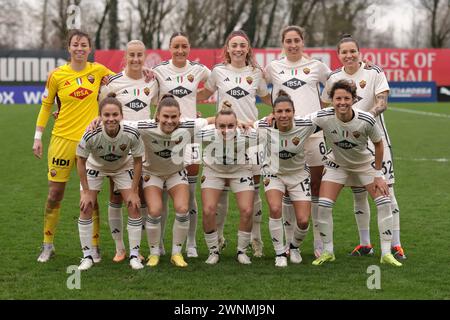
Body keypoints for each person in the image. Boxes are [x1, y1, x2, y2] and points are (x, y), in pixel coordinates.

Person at [321, 34, 406, 260]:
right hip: (347, 145)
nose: (349, 55)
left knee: (387, 190)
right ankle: (365, 243)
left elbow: (382, 102)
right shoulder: (333, 77)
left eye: (352, 51)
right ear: (338, 55)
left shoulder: (374, 72)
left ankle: (396, 244)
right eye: (344, 52)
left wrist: (365, 117)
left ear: (359, 52)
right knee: (358, 194)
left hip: (375, 140)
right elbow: (326, 107)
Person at [32, 29, 113, 263]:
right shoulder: (56, 75)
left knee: (90, 195)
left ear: (90, 48)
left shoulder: (98, 70)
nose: (79, 48)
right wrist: (38, 137)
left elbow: (123, 81)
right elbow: (46, 106)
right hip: (62, 140)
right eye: (75, 44)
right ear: (69, 48)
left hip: (91, 141)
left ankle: (94, 246)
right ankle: (47, 244)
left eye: (84, 44)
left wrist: (146, 73)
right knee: (55, 193)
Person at [310, 79, 402, 267]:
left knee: (384, 202)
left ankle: (386, 253)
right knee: (324, 206)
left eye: (346, 98)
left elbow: (378, 143)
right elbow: (299, 122)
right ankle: (328, 251)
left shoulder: (365, 119)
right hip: (338, 165)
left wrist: (378, 174)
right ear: (332, 100)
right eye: (338, 98)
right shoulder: (323, 116)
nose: (342, 102)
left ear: (354, 99)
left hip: (364, 165)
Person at [198, 30, 272, 258]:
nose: (239, 49)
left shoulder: (256, 73)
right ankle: (218, 239)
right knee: (219, 194)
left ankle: (255, 238)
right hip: (223, 136)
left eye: (243, 45)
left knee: (254, 191)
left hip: (251, 137)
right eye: (234, 45)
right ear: (227, 49)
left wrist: (279, 111)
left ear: (248, 48)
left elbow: (268, 98)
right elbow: (202, 94)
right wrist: (182, 104)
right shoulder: (218, 72)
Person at [264, 26, 331, 258]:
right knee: (284, 189)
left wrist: (324, 109)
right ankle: (289, 244)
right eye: (288, 41)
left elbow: (335, 85)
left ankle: (317, 244)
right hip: (281, 136)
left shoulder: (317, 66)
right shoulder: (273, 67)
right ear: (282, 43)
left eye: (296, 40)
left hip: (312, 136)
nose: (292, 45)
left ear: (303, 42)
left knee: (314, 187)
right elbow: (253, 81)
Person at [133, 94, 214, 267]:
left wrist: (241, 123)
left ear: (180, 116)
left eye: (174, 117)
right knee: (154, 211)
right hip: (152, 173)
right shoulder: (145, 126)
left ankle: (177, 253)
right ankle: (154, 253)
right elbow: (121, 123)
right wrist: (97, 119)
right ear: (157, 117)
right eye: (166, 117)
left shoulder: (187, 125)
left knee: (183, 208)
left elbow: (215, 119)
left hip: (176, 173)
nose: (169, 121)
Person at [152, 32, 211, 258]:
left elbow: (215, 83)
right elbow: (152, 98)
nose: (180, 50)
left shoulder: (198, 69)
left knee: (189, 191)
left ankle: (191, 243)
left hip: (191, 137)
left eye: (184, 46)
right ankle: (160, 244)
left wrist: (196, 102)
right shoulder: (158, 71)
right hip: (165, 136)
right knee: (166, 192)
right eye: (176, 46)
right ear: (169, 48)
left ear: (189, 48)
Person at [99, 40, 159, 263]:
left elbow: (161, 106)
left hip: (145, 149)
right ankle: (120, 248)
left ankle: (139, 247)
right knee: (116, 197)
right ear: (125, 57)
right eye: (131, 55)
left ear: (145, 57)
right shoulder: (113, 83)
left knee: (140, 198)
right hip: (119, 149)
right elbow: (102, 111)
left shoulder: (152, 81)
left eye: (139, 55)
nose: (135, 59)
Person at [76, 95, 144, 271]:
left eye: (115, 114)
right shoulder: (91, 133)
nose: (111, 119)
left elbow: (138, 162)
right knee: (86, 206)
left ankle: (134, 256)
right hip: (95, 166)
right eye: (106, 115)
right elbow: (81, 161)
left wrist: (135, 190)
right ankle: (87, 256)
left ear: (121, 115)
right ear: (100, 116)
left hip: (122, 167)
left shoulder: (131, 133)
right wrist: (85, 191)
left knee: (133, 204)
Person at [255, 91, 318, 267]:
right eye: (279, 111)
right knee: (275, 209)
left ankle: (294, 247)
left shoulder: (305, 125)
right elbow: (242, 126)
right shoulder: (262, 126)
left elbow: (327, 117)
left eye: (287, 111)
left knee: (304, 220)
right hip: (273, 173)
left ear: (293, 112)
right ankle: (280, 253)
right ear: (273, 113)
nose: (284, 115)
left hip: (298, 174)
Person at [198, 102, 256, 265]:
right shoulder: (205, 134)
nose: (226, 130)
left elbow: (267, 127)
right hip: (213, 170)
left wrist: (252, 123)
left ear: (237, 124)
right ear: (214, 125)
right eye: (221, 126)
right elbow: (183, 126)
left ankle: (242, 251)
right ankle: (213, 251)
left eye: (231, 125)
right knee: (209, 210)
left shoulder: (247, 134)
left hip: (240, 170)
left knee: (247, 209)